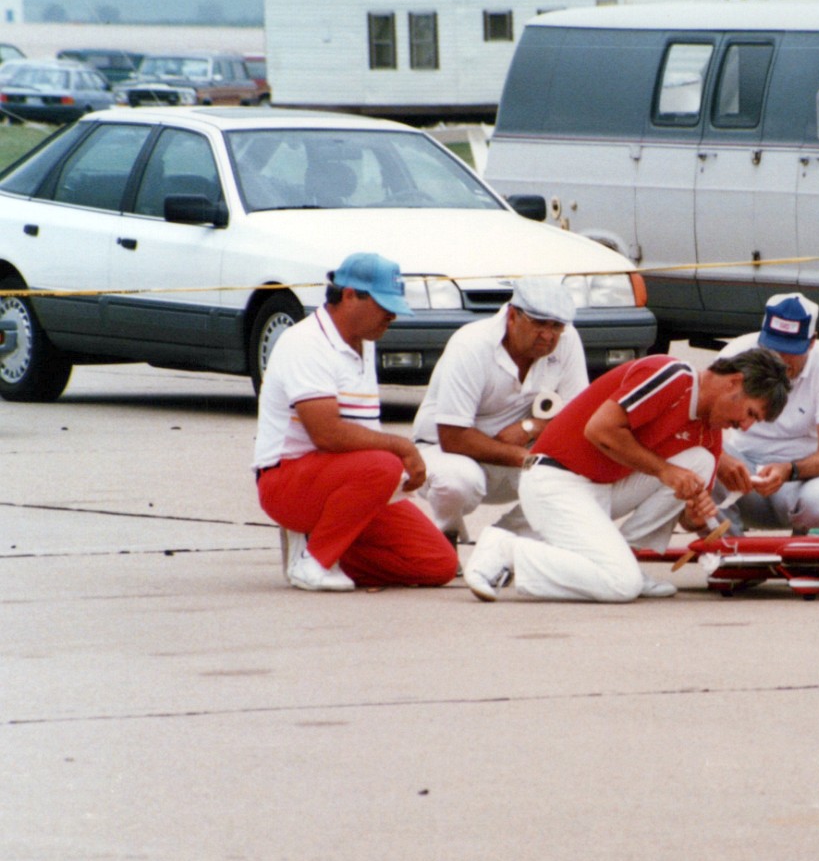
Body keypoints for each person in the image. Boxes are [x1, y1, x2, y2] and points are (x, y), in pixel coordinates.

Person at [462, 349, 790, 603]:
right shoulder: (672, 375)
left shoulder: (710, 435)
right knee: (621, 585)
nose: (745, 427)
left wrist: (695, 510)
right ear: (734, 382)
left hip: (600, 488)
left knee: (704, 461)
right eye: (750, 413)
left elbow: (689, 524)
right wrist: (666, 471)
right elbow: (600, 429)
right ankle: (506, 550)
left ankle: (627, 557)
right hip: (555, 478)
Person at [252, 252, 457, 592]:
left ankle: (322, 549)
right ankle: (315, 562)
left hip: (342, 480)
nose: (391, 315)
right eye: (383, 305)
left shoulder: (364, 341)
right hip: (286, 482)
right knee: (383, 464)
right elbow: (326, 435)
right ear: (349, 296)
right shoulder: (306, 342)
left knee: (438, 564)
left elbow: (362, 435)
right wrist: (402, 449)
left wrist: (386, 484)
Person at [411, 275, 588, 545]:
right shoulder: (470, 345)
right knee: (456, 483)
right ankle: (447, 534)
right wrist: (525, 458)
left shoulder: (568, 339)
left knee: (582, 476)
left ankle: (503, 540)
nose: (548, 335)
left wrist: (532, 427)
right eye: (539, 323)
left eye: (556, 326)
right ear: (512, 316)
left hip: (519, 454)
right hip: (445, 452)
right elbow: (453, 437)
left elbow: (579, 417)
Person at [714, 293, 819, 533]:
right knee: (703, 460)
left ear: (811, 341)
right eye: (773, 348)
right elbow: (700, 420)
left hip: (800, 481)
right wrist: (724, 462)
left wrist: (789, 470)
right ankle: (728, 557)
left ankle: (807, 562)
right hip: (743, 474)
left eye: (790, 350)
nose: (779, 359)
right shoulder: (736, 353)